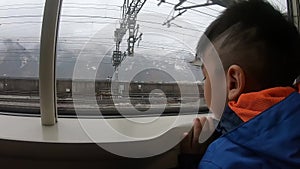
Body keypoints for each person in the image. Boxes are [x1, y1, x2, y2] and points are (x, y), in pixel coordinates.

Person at [179, 0, 300, 169]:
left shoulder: (223, 158)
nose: (203, 84)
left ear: (233, 83)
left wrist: (190, 161)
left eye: (206, 77)